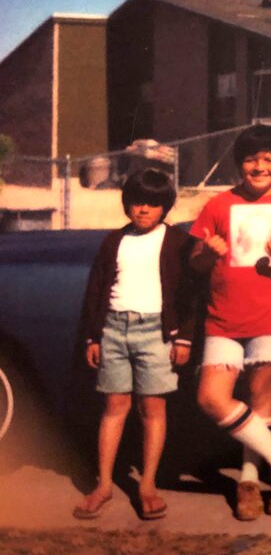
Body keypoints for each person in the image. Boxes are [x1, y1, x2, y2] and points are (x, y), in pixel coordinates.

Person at [190, 125, 271, 521]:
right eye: (251, 159)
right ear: (239, 164)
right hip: (223, 317)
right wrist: (208, 253)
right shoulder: (218, 204)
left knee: (260, 400)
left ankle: (248, 481)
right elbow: (196, 263)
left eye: (269, 160)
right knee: (211, 398)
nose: (260, 166)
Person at [73, 168, 194, 521]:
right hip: (113, 329)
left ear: (165, 207)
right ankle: (105, 484)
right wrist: (93, 336)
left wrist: (183, 337)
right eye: (137, 202)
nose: (143, 210)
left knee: (152, 409)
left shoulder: (178, 241)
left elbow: (189, 294)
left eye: (152, 204)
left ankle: (147, 485)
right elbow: (96, 292)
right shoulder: (113, 241)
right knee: (114, 406)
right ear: (127, 204)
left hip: (157, 333)